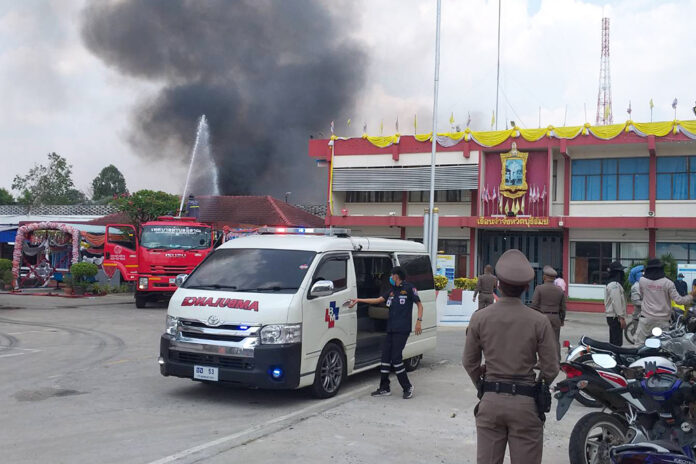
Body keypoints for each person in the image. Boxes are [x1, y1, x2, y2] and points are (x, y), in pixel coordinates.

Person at [463, 249, 559, 464]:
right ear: (526, 287)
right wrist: (539, 387)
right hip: (525, 403)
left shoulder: (480, 318)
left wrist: (481, 383)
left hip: (490, 400)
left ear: (497, 284)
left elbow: (469, 361)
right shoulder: (539, 321)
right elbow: (551, 366)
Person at [348, 266, 423, 399]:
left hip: (402, 330)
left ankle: (407, 387)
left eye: (391, 275)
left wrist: (418, 321)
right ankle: (384, 387)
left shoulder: (410, 288)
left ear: (396, 276)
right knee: (385, 358)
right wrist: (359, 300)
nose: (390, 278)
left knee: (396, 358)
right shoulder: (392, 291)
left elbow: (419, 305)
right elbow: (377, 300)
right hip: (391, 329)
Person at [636, 258, 695, 345]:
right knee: (663, 346)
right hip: (663, 321)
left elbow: (641, 295)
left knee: (640, 345)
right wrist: (691, 296)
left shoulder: (642, 281)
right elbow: (679, 300)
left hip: (646, 320)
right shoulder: (668, 283)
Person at [530, 265, 567, 355]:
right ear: (554, 278)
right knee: (555, 341)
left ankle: (542, 361)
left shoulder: (539, 288)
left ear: (544, 277)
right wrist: (561, 320)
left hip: (542, 317)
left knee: (541, 340)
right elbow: (563, 308)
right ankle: (557, 361)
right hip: (555, 318)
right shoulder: (559, 290)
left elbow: (534, 305)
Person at [605, 261, 627, 346]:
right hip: (615, 317)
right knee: (617, 342)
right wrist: (621, 317)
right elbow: (616, 301)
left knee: (614, 341)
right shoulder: (614, 285)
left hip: (613, 316)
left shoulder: (612, 283)